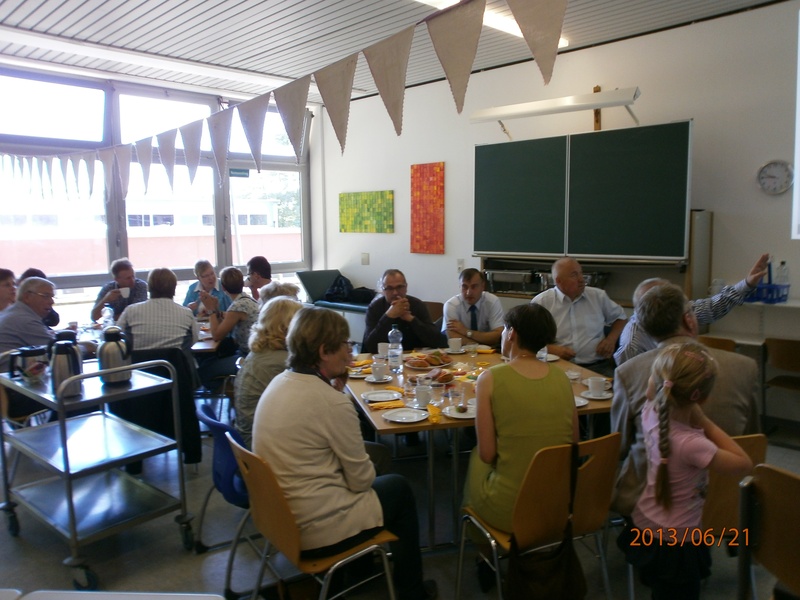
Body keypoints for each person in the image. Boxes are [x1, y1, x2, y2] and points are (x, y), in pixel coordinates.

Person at [252, 307, 437, 600]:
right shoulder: (331, 402)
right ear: (324, 351)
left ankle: (359, 566)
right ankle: (412, 593)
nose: (350, 353)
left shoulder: (280, 382)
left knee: (377, 477)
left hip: (279, 520)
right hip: (316, 529)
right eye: (345, 345)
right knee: (398, 488)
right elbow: (361, 482)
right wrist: (337, 398)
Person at [611, 282, 760, 517]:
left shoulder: (628, 372)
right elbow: (752, 440)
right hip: (726, 503)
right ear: (689, 320)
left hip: (653, 504)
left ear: (647, 329)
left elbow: (618, 447)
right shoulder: (745, 367)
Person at [618, 342, 752, 600]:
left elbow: (652, 394)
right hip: (677, 540)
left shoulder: (649, 413)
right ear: (701, 398)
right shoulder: (693, 445)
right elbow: (743, 462)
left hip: (646, 525)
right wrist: (703, 420)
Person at [464, 303, 578, 533]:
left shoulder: (490, 378)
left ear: (512, 333)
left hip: (509, 509)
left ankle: (481, 544)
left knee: (477, 456)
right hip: (557, 504)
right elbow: (574, 441)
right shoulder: (562, 377)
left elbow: (488, 454)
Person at [614, 253, 770, 366]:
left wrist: (747, 284)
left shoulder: (677, 309)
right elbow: (631, 386)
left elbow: (712, 307)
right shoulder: (632, 345)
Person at [531, 257, 626, 377]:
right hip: (557, 366)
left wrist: (611, 340)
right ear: (559, 281)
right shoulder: (542, 302)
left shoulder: (597, 296)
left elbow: (621, 318)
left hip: (598, 367)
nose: (581, 279)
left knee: (618, 386)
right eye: (574, 275)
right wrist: (549, 349)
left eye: (581, 273)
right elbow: (525, 339)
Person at [234, 297, 302, 448]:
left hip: (249, 434)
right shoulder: (281, 362)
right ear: (289, 326)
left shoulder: (261, 351)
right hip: (261, 443)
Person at [0, 277, 57, 418]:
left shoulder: (12, 312)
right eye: (46, 296)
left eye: (52, 297)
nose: (51, 301)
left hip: (10, 385)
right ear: (27, 297)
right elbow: (58, 351)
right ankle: (54, 429)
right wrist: (89, 347)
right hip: (13, 393)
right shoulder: (24, 319)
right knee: (74, 397)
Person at [197, 266, 260, 389]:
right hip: (253, 353)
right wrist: (216, 309)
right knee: (209, 359)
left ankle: (231, 392)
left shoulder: (237, 306)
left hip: (248, 358)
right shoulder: (247, 299)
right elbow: (227, 320)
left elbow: (217, 336)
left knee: (203, 370)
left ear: (223, 288)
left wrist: (211, 310)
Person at [362, 269, 443, 354]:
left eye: (399, 287)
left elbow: (437, 342)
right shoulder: (374, 308)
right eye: (389, 288)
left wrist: (411, 319)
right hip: (386, 357)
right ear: (383, 290)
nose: (395, 292)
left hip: (415, 357)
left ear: (406, 287)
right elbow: (370, 347)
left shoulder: (417, 305)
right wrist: (389, 316)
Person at [116, 268, 197, 351]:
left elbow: (116, 337)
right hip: (177, 359)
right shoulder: (186, 313)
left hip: (139, 359)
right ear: (174, 288)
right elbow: (194, 339)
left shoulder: (130, 311)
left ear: (149, 288)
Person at [442, 268, 504, 347]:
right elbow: (453, 337)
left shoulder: (492, 302)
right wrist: (480, 346)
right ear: (459, 287)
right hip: (464, 350)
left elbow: (497, 335)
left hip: (489, 351)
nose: (468, 293)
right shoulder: (451, 305)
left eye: (474, 287)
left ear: (482, 286)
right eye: (464, 287)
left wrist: (466, 331)